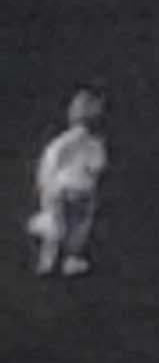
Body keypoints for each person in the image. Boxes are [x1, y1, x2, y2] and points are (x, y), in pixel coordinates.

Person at [28, 91, 105, 277]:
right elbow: (96, 166)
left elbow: (47, 166)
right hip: (82, 190)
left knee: (57, 225)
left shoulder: (60, 142)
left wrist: (45, 190)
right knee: (78, 227)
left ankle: (47, 260)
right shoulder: (93, 144)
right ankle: (71, 259)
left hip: (58, 188)